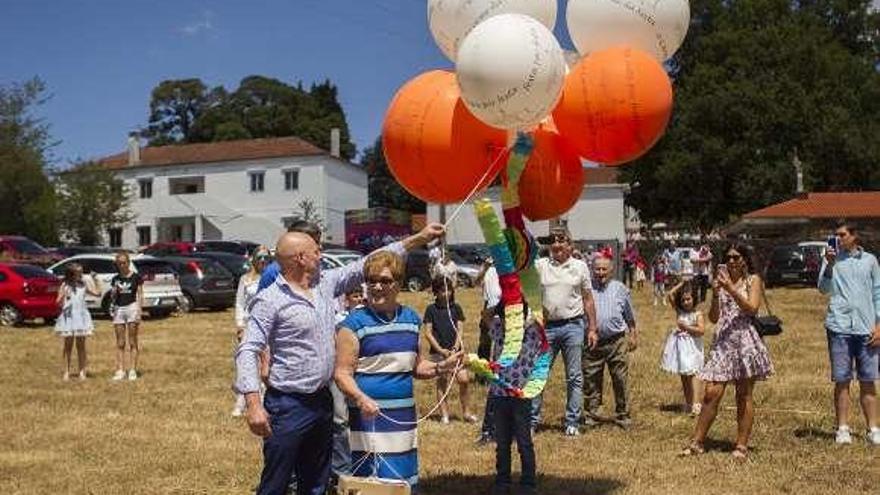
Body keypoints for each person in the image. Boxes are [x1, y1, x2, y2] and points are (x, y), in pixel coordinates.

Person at [235, 223, 444, 495]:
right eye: (316, 250)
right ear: (300, 258)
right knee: (277, 482)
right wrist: (253, 404)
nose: (321, 253)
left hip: (321, 401)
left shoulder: (324, 284)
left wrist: (418, 238)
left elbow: (365, 265)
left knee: (316, 482)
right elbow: (248, 350)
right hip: (287, 405)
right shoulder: (269, 300)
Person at [334, 251, 460, 489]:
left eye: (385, 281)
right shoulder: (352, 324)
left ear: (399, 284)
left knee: (403, 480)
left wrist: (442, 367)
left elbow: (416, 366)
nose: (377, 287)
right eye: (371, 281)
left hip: (402, 419)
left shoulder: (411, 319)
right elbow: (341, 374)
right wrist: (362, 399)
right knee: (373, 484)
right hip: (369, 419)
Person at [681, 243, 774, 459]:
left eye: (736, 257)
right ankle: (697, 442)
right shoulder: (720, 282)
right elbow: (714, 317)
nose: (731, 261)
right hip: (723, 341)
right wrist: (715, 294)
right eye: (728, 257)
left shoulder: (753, 280)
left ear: (744, 259)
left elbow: (752, 308)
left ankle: (741, 445)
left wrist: (731, 290)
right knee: (711, 393)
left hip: (745, 341)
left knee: (744, 394)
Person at [531, 227, 598, 437]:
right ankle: (532, 421)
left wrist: (593, 328)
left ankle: (572, 421)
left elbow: (587, 298)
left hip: (573, 326)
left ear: (570, 245)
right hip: (547, 328)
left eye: (562, 240)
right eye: (553, 241)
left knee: (574, 376)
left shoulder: (580, 267)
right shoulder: (541, 265)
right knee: (538, 373)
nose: (557, 244)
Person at [818, 221, 880, 445]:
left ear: (854, 236)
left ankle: (873, 428)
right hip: (839, 327)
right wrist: (830, 264)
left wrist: (879, 325)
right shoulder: (832, 260)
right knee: (842, 380)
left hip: (866, 329)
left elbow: (878, 293)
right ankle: (842, 428)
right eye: (835, 235)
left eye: (842, 235)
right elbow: (823, 289)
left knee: (868, 380)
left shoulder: (870, 261)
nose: (837, 239)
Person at [487, 299, 543, 495]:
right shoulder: (498, 329)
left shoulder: (532, 333)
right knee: (502, 441)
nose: (511, 321)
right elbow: (484, 316)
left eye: (516, 316)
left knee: (524, 440)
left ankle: (528, 482)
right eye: (506, 316)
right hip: (500, 394)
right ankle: (503, 479)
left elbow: (547, 317)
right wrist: (501, 303)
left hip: (521, 395)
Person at [583, 256, 638, 430]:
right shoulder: (586, 289)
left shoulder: (620, 288)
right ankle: (592, 414)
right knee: (591, 379)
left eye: (603, 269)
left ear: (611, 270)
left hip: (616, 341)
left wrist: (633, 335)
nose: (600, 273)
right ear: (592, 270)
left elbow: (629, 315)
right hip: (593, 342)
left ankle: (623, 414)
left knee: (620, 379)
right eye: (597, 269)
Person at [424, 275, 475, 424]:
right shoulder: (431, 309)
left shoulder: (456, 308)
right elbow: (427, 333)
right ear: (435, 292)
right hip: (439, 353)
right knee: (442, 382)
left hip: (455, 351)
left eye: (448, 290)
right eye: (441, 291)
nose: (446, 294)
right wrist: (440, 350)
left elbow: (460, 330)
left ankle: (466, 412)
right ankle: (444, 415)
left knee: (464, 379)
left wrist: (455, 348)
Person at [330, 283, 364, 485]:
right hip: (339, 374)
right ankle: (341, 470)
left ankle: (359, 465)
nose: (358, 299)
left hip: (359, 376)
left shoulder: (366, 319)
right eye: (355, 296)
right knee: (340, 421)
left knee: (358, 419)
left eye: (361, 296)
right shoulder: (339, 320)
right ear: (346, 300)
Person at [232, 246, 271, 416]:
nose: (263, 261)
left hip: (268, 324)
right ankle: (241, 400)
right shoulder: (245, 279)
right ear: (254, 259)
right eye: (260, 257)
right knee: (246, 362)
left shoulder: (273, 278)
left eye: (266, 258)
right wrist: (240, 324)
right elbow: (240, 303)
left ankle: (262, 400)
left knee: (266, 364)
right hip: (249, 324)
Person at [660, 280, 705, 416]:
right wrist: (681, 283)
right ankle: (689, 402)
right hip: (681, 350)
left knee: (694, 374)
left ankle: (697, 403)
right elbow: (669, 295)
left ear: (694, 298)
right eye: (683, 300)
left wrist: (687, 328)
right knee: (684, 376)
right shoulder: (680, 312)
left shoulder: (697, 314)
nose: (686, 302)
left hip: (693, 348)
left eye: (688, 299)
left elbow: (701, 330)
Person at [54, 263, 100, 381]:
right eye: (79, 272)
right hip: (69, 317)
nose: (81, 274)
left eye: (81, 272)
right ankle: (66, 371)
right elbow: (58, 302)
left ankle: (82, 371)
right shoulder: (65, 285)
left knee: (81, 346)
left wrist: (96, 279)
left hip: (81, 316)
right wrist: (63, 295)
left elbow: (97, 293)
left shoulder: (83, 285)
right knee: (68, 346)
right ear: (72, 273)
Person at [475, 257, 502, 445]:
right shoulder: (492, 272)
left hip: (521, 328)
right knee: (496, 383)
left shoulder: (525, 272)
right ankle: (489, 430)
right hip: (501, 326)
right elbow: (491, 306)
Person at [110, 251, 143, 381]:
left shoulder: (136, 277)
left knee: (133, 340)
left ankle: (133, 370)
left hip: (132, 307)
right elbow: (113, 297)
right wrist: (113, 292)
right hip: (119, 309)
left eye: (124, 263)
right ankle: (120, 369)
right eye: (119, 263)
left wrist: (139, 310)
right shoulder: (115, 279)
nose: (122, 265)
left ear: (128, 263)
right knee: (120, 342)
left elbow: (140, 294)